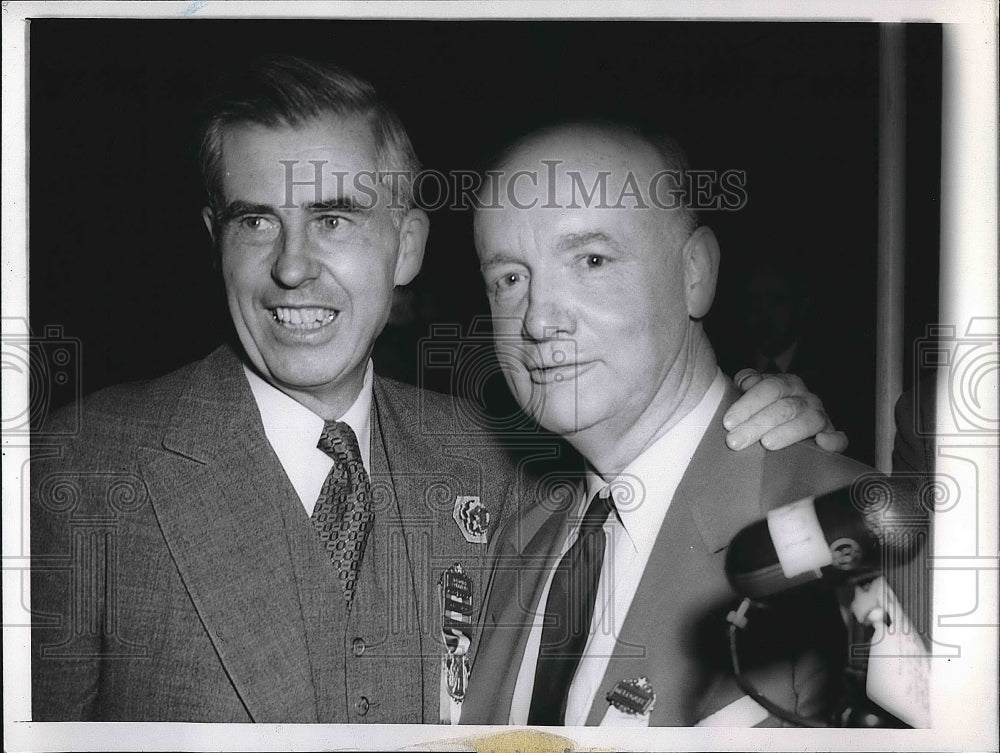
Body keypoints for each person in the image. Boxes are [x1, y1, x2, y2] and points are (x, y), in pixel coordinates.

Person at [30, 57, 845, 723]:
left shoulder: (493, 460)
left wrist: (764, 418)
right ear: (217, 241)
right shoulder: (83, 469)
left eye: (336, 219)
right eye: (256, 220)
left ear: (408, 246)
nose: (290, 265)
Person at [460, 121, 875, 726]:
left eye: (592, 260)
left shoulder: (854, 541)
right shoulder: (510, 544)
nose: (538, 320)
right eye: (510, 280)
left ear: (695, 273)